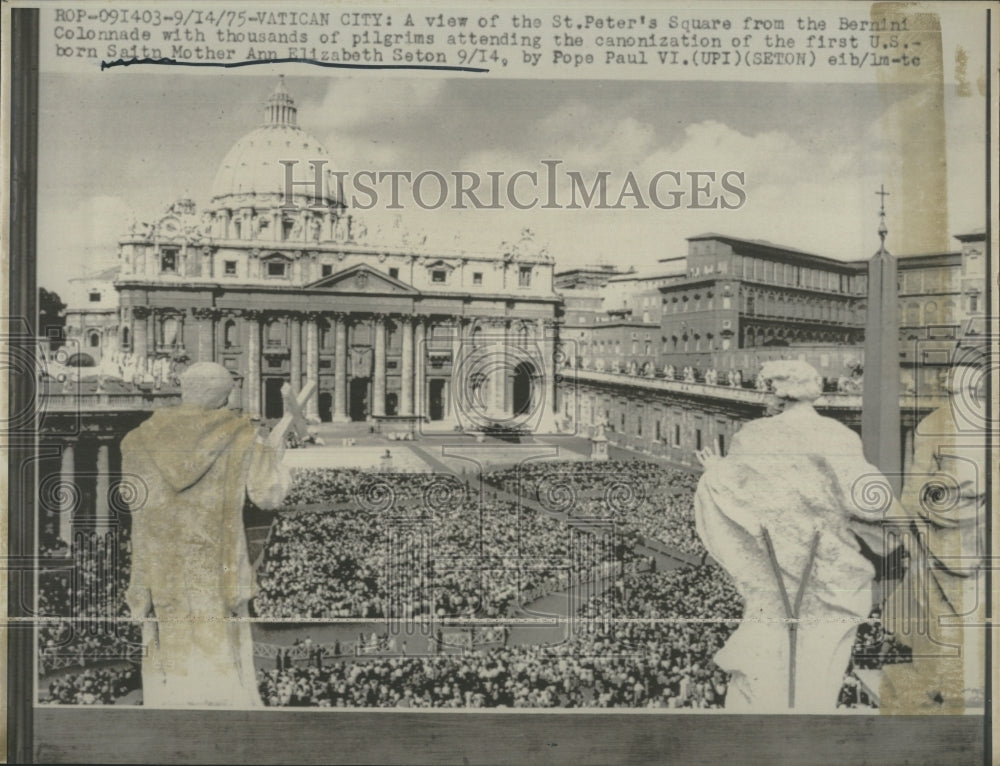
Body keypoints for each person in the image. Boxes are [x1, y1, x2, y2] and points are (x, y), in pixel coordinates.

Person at [694, 360, 892, 712]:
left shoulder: (754, 436)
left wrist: (713, 472)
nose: (764, 399)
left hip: (779, 571)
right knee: (817, 677)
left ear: (778, 392)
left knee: (766, 666)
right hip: (833, 576)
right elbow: (872, 503)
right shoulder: (840, 436)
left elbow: (736, 492)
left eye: (765, 389)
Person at [123, 361, 291, 706]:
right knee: (224, 661)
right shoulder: (242, 433)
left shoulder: (137, 439)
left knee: (168, 664)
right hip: (218, 565)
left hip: (160, 570)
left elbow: (133, 506)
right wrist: (275, 452)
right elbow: (269, 494)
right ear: (223, 396)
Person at [880, 351, 987, 712]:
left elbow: (913, 490)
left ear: (947, 388)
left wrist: (906, 532)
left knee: (942, 613)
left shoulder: (930, 425)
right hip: (981, 535)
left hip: (942, 536)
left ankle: (949, 681)